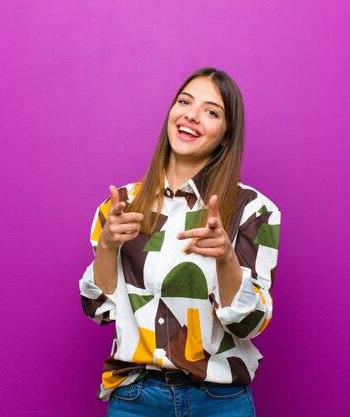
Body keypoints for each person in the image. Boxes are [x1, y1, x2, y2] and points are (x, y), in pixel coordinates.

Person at [79, 67, 280, 417]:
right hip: (135, 400)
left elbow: (250, 324)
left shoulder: (255, 210)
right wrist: (108, 247)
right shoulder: (121, 205)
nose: (191, 114)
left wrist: (226, 258)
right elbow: (98, 310)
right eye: (185, 101)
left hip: (219, 402)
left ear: (226, 134)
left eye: (211, 111)